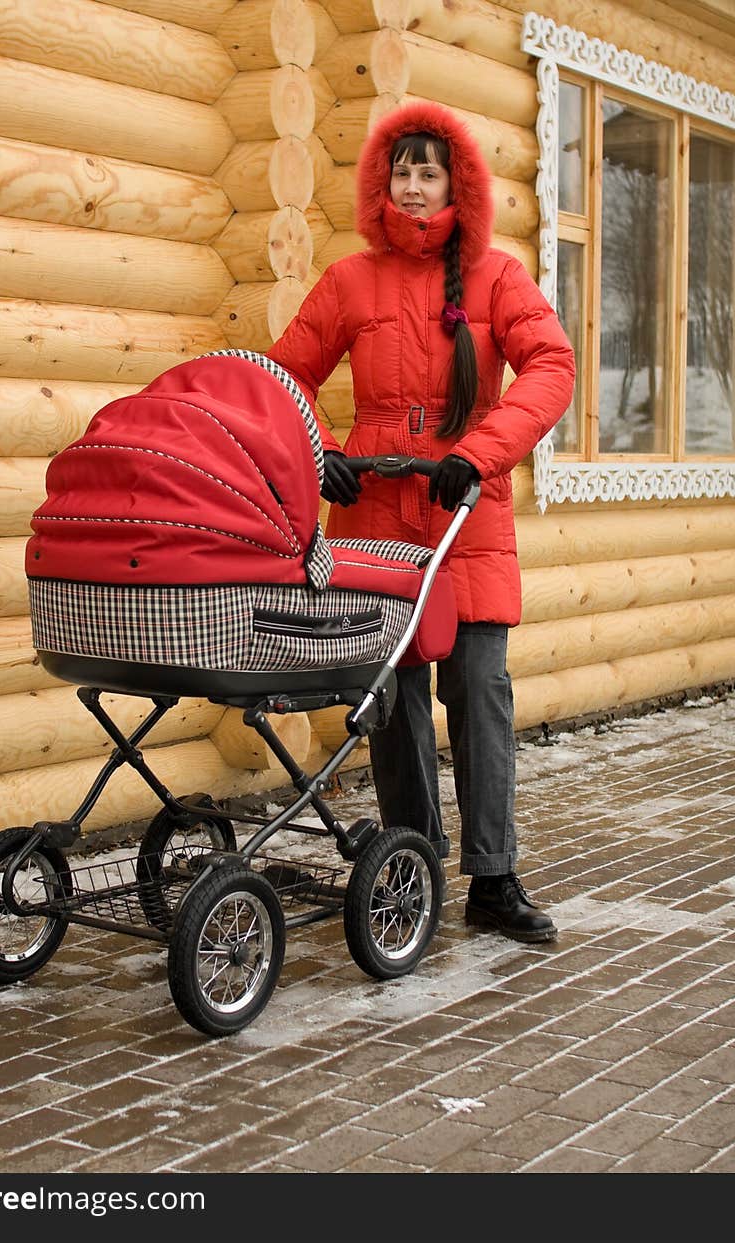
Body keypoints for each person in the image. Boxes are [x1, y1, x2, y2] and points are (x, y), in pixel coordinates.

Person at [267, 101, 575, 943]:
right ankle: (408, 867)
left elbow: (552, 365)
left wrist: (479, 453)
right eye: (400, 170)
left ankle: (494, 878)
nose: (411, 185)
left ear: (456, 183)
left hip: (463, 510)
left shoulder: (498, 277)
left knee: (479, 690)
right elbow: (279, 377)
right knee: (390, 699)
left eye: (427, 170)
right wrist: (316, 447)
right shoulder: (349, 280)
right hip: (371, 513)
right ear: (383, 182)